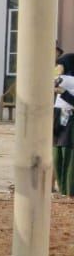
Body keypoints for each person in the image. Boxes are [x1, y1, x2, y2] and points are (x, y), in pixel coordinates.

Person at [53, 54, 74, 196]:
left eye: (60, 64)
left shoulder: (67, 80)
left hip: (70, 119)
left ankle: (69, 190)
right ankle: (62, 189)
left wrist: (64, 92)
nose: (57, 67)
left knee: (68, 155)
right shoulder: (60, 79)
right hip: (58, 117)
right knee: (57, 155)